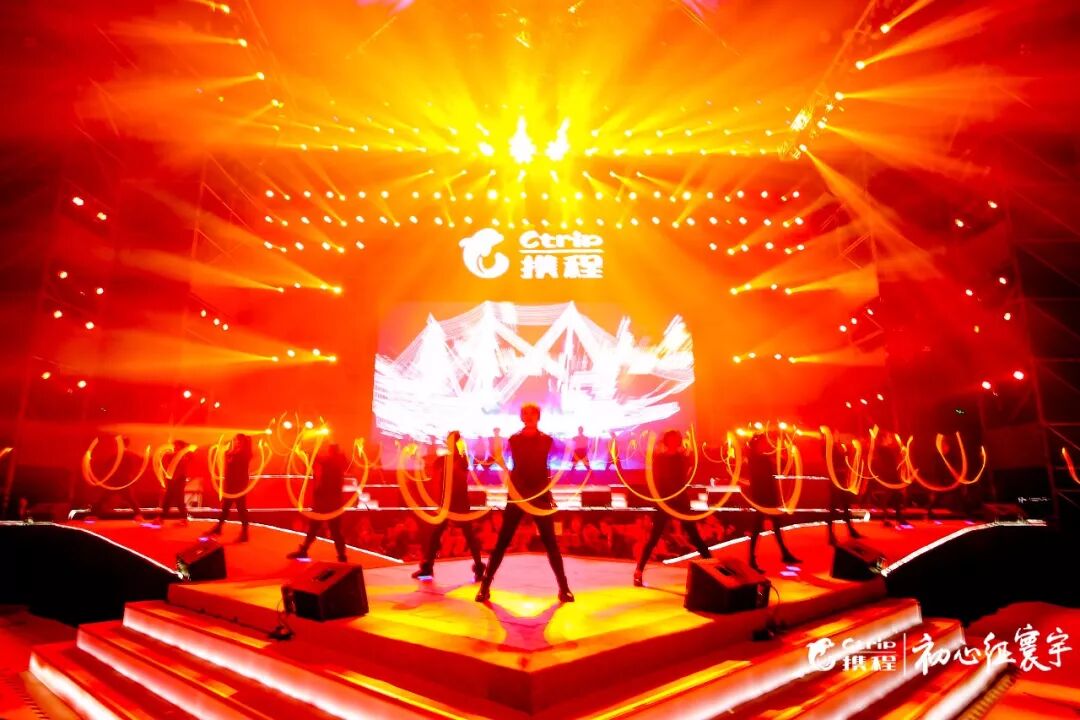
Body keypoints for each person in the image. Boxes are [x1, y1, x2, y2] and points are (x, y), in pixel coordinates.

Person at [476, 403, 574, 603]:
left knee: (550, 543)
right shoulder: (514, 439)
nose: (529, 416)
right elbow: (506, 462)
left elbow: (554, 463)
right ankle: (484, 587)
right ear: (521, 417)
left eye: (532, 413)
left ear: (538, 416)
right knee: (503, 541)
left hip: (539, 494)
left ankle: (564, 588)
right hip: (518, 494)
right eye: (525, 413)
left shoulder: (547, 440)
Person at [634, 429, 714, 586]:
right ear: (666, 441)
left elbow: (687, 472)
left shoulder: (681, 458)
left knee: (694, 535)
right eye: (672, 439)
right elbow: (656, 479)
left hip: (680, 500)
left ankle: (713, 568)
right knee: (654, 537)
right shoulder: (660, 458)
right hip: (665, 500)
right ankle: (639, 571)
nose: (675, 441)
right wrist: (660, 499)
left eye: (677, 439)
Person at [412, 431, 485, 580]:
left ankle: (478, 568)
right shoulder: (445, 459)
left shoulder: (462, 459)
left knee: (468, 535)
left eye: (452, 441)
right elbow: (431, 467)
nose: (449, 444)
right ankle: (428, 567)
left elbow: (459, 471)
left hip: (459, 502)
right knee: (436, 534)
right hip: (448, 502)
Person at [746, 432, 801, 572]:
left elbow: (781, 466)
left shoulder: (763, 457)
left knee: (775, 526)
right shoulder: (755, 458)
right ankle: (751, 559)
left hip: (769, 497)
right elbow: (758, 480)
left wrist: (782, 456)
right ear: (756, 445)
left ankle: (784, 554)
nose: (765, 445)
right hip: (761, 499)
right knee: (757, 529)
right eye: (762, 442)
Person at [288, 442, 349, 562]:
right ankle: (341, 556)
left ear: (331, 451)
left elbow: (317, 458)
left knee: (316, 527)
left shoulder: (331, 461)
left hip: (326, 501)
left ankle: (304, 550)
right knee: (333, 530)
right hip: (333, 501)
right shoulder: (338, 462)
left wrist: (302, 449)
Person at [205, 433, 253, 542]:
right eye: (235, 440)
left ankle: (244, 533)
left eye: (239, 441)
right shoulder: (234, 451)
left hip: (239, 485)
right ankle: (219, 528)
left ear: (243, 442)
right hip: (231, 484)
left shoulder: (244, 454)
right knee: (226, 508)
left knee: (241, 509)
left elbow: (233, 462)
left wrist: (228, 453)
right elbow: (229, 463)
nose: (236, 442)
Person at [90, 436, 143, 521]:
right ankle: (138, 515)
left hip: (121, 481)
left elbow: (128, 468)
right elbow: (108, 465)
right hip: (118, 481)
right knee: (105, 498)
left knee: (128, 499)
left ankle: (138, 515)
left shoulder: (124, 455)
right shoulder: (119, 455)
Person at [826, 436, 863, 545]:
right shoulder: (830, 447)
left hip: (842, 480)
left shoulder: (840, 447)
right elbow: (831, 463)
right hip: (835, 480)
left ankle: (850, 530)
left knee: (846, 506)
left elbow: (845, 461)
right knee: (833, 508)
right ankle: (830, 535)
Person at [156, 440, 192, 526]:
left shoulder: (182, 457)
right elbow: (168, 463)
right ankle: (161, 518)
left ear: (181, 447)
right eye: (174, 445)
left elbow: (180, 470)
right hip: (173, 479)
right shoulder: (176, 455)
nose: (174, 447)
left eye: (176, 445)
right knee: (168, 499)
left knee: (178, 499)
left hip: (178, 480)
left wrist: (172, 479)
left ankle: (183, 519)